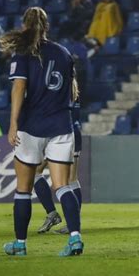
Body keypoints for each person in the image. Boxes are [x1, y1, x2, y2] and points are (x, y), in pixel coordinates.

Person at [0, 7, 83, 256]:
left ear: (25, 25)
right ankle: (75, 239)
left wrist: (13, 123)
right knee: (62, 185)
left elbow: (18, 89)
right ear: (47, 26)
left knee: (23, 188)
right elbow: (72, 91)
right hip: (61, 125)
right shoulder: (64, 53)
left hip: (32, 126)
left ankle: (20, 245)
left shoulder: (23, 52)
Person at [35, 90, 83, 234]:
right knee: (71, 179)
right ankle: (71, 221)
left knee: (36, 172)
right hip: (74, 131)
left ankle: (55, 215)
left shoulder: (56, 87)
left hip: (61, 133)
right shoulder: (73, 88)